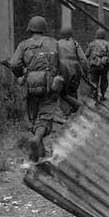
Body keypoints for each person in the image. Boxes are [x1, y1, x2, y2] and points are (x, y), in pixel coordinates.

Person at [9, 15, 64, 162]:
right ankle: (38, 138)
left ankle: (38, 148)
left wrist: (21, 73)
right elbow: (63, 64)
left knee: (33, 117)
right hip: (49, 86)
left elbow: (14, 64)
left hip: (30, 85)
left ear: (30, 28)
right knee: (45, 117)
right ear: (44, 28)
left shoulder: (23, 45)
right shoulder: (54, 43)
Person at [57, 26, 88, 114]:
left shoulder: (56, 44)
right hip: (74, 71)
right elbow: (83, 59)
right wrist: (85, 72)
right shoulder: (75, 44)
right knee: (72, 91)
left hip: (61, 71)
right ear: (71, 34)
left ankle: (66, 112)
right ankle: (75, 111)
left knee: (62, 93)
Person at [85, 28, 109, 101]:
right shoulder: (107, 43)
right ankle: (102, 95)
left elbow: (86, 54)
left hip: (93, 64)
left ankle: (94, 94)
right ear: (104, 35)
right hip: (104, 65)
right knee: (104, 80)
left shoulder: (92, 43)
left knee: (94, 80)